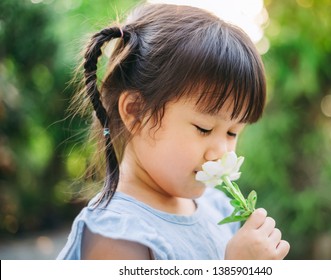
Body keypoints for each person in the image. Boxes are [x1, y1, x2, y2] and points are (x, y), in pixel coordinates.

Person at [57, 3, 290, 260]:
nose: (221, 152)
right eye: (204, 129)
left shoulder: (219, 207)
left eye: (233, 133)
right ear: (136, 113)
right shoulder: (116, 233)